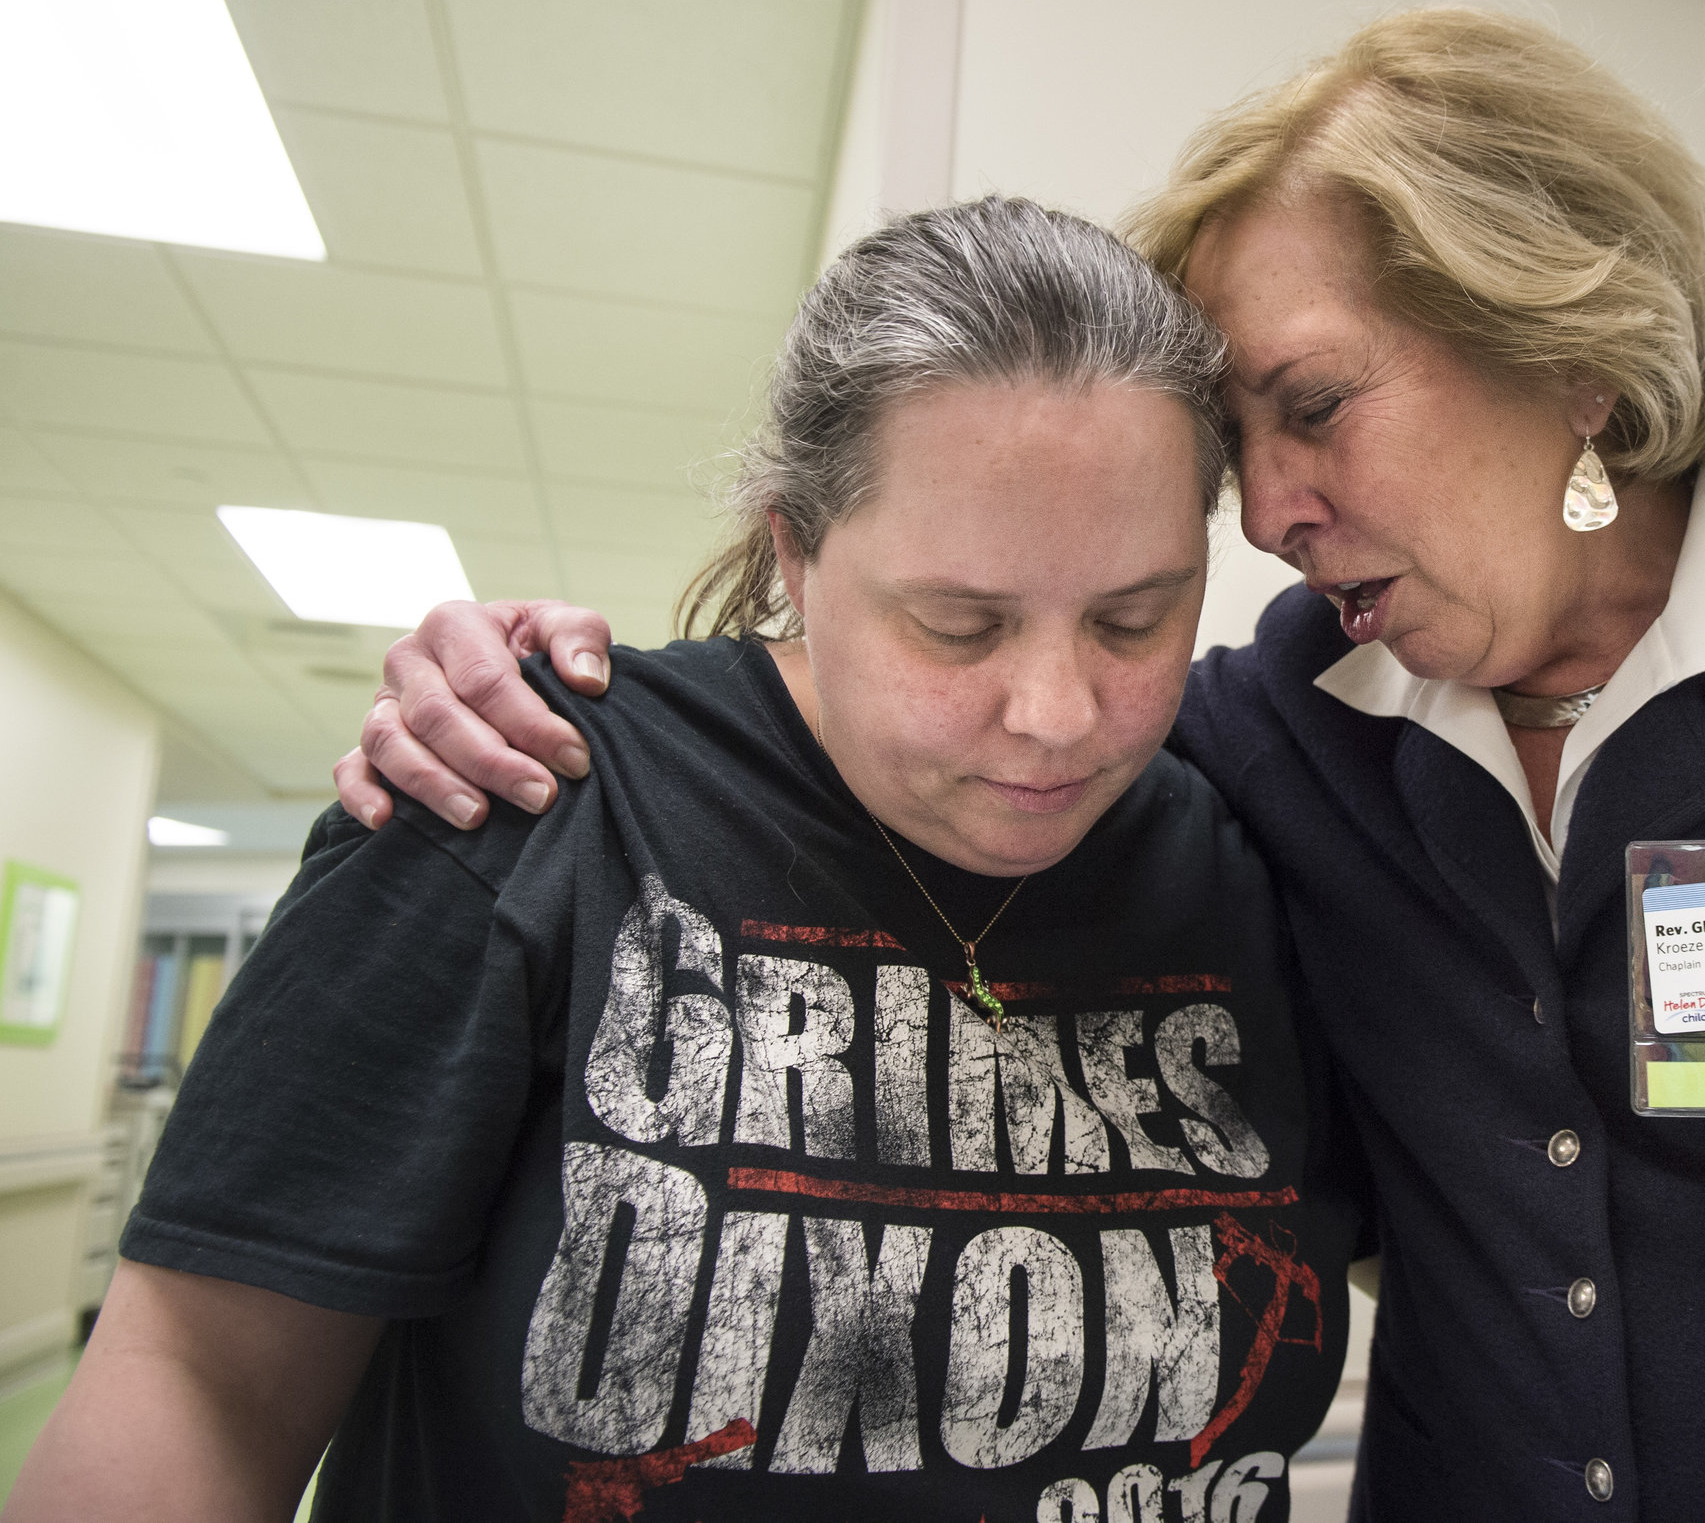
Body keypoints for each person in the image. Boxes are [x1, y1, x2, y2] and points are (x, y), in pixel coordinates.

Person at [335, 9, 1705, 1521]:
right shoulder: (1281, 719)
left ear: (1560, 336)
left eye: (1308, 407)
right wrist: (533, 665)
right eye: (1233, 447)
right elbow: (942, 685)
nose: (1261, 508)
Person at [10, 200, 1359, 1523]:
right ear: (797, 549)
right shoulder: (529, 796)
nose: (1058, 712)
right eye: (960, 626)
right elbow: (204, 1381)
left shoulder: (1272, 855)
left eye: (1136, 617)